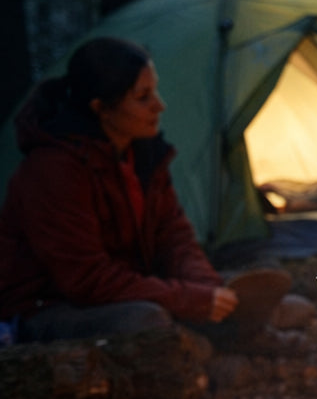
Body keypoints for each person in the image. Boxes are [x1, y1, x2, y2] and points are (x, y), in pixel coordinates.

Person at [0, 36, 240, 344]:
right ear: (101, 108)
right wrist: (191, 299)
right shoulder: (53, 169)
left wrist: (207, 288)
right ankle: (213, 344)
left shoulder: (144, 155)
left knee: (234, 293)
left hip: (125, 291)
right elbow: (86, 280)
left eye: (155, 91)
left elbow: (174, 238)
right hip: (50, 306)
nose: (160, 106)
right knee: (146, 319)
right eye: (143, 97)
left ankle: (215, 336)